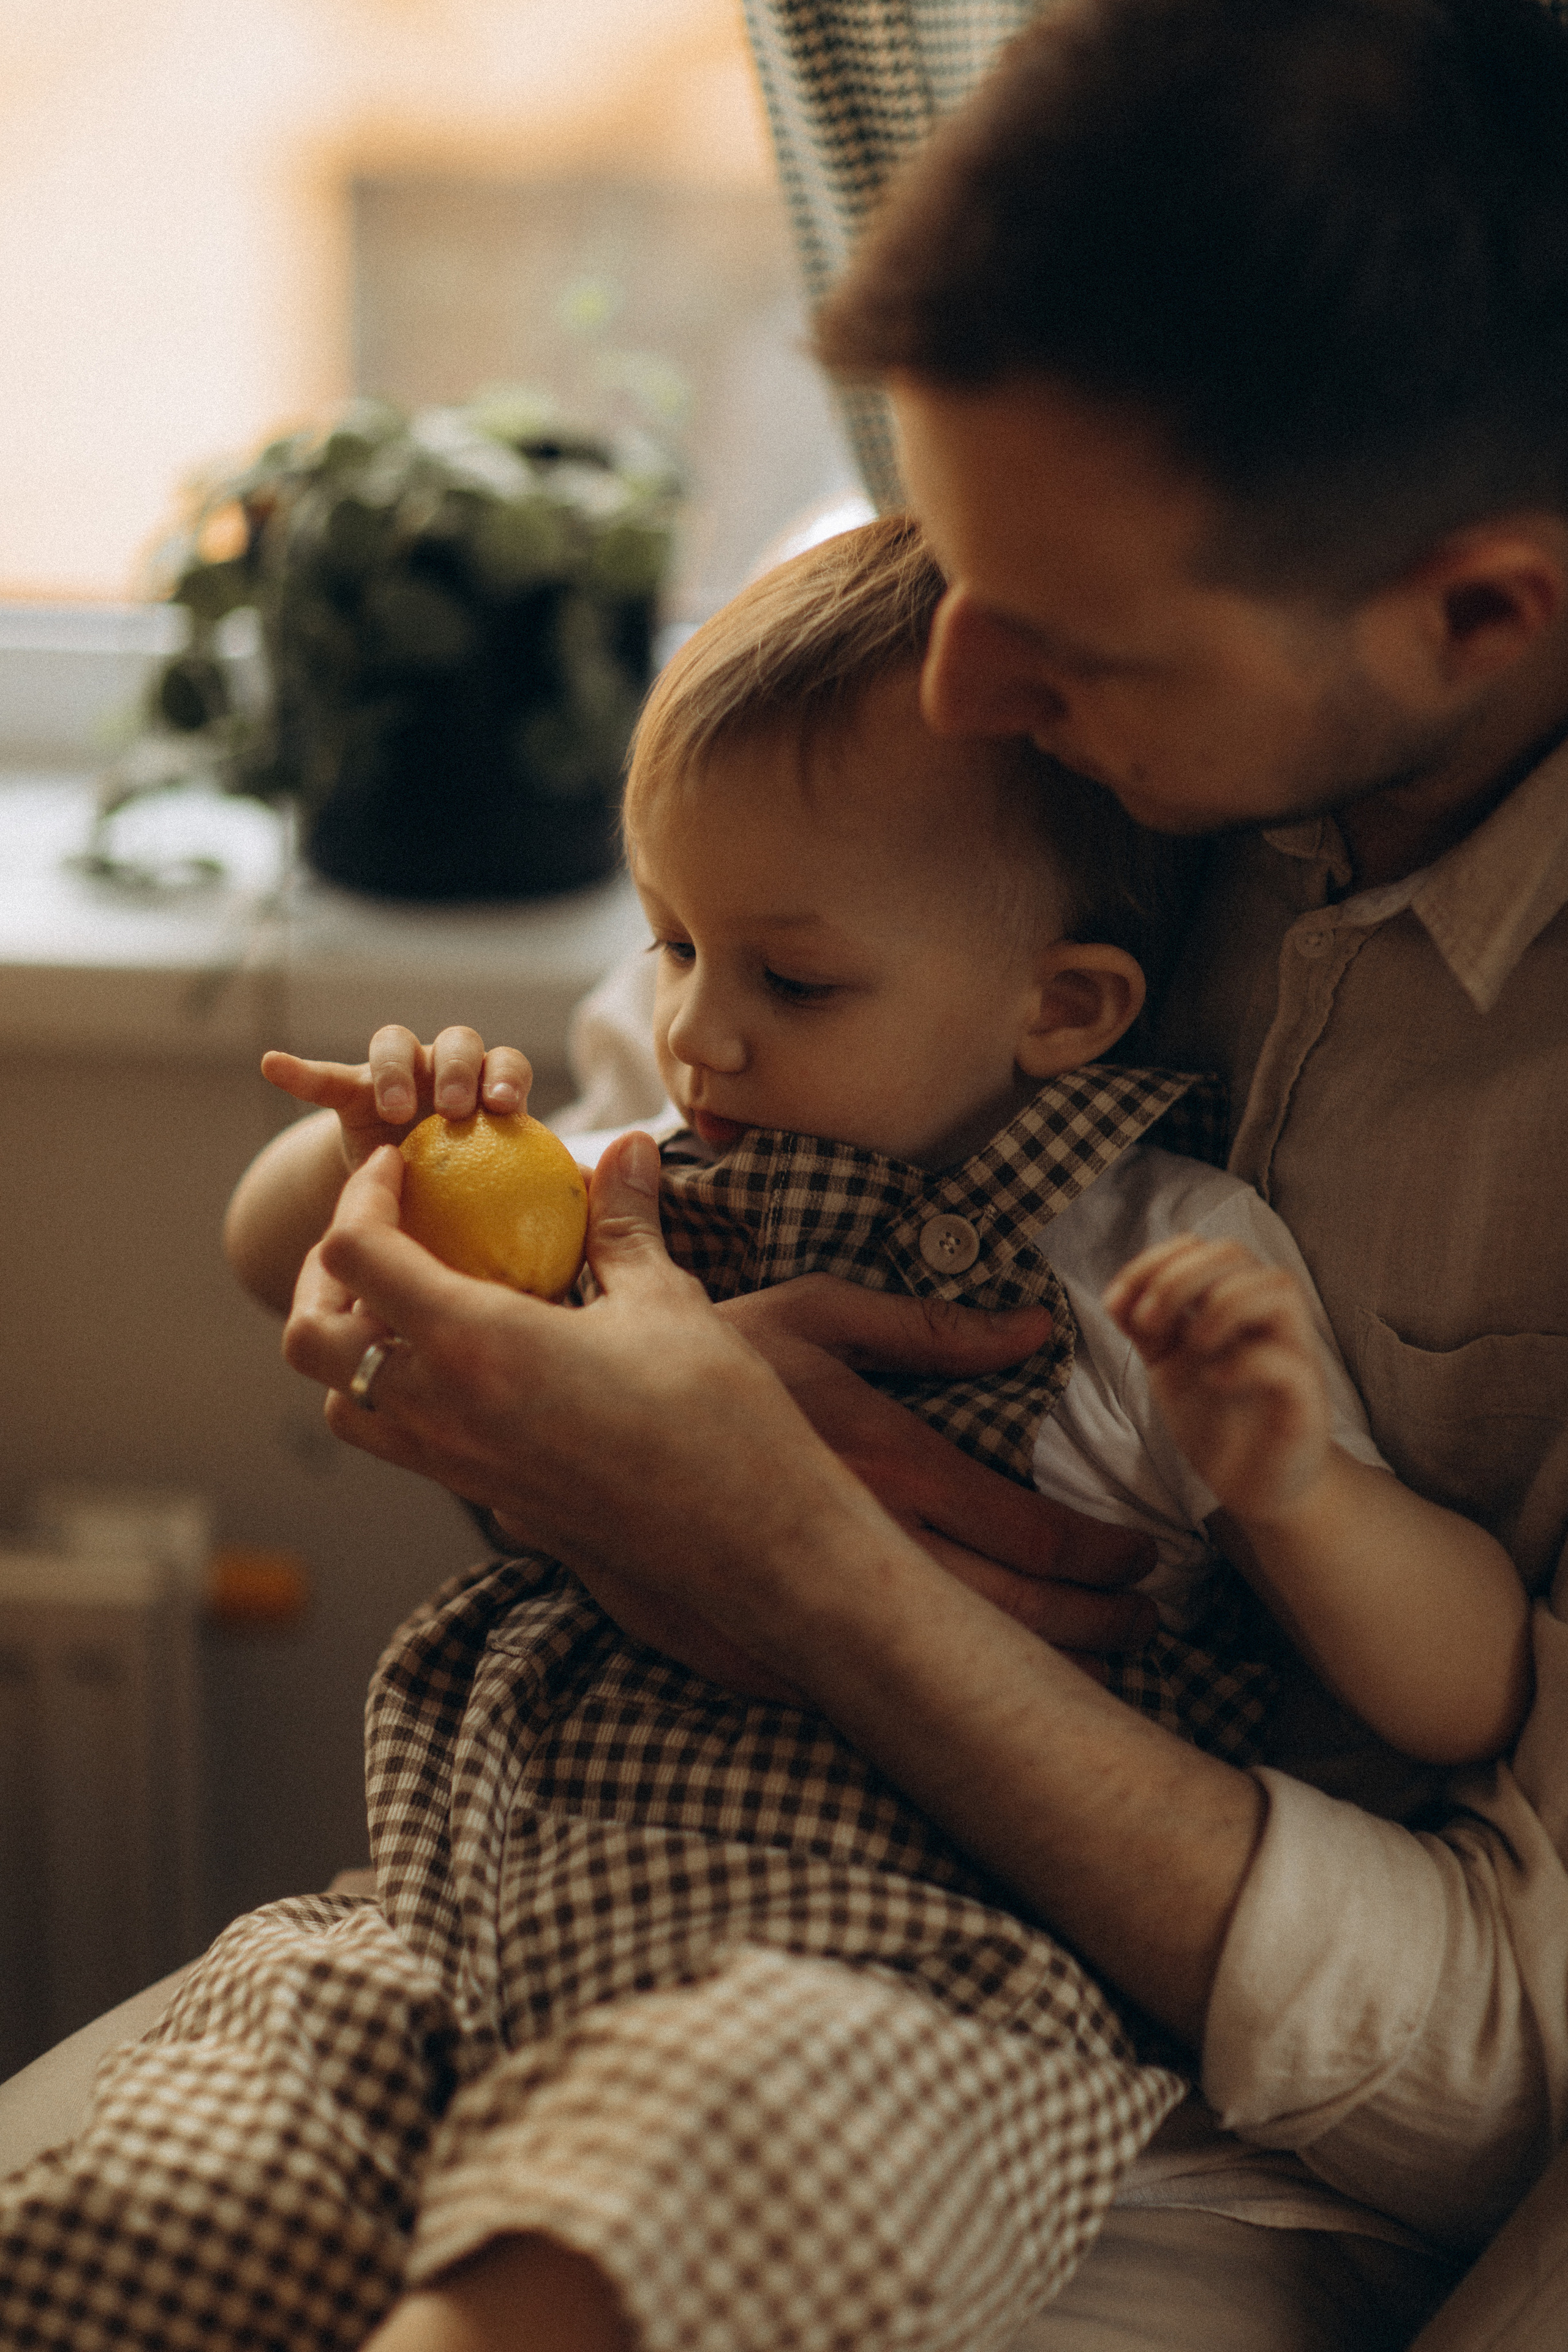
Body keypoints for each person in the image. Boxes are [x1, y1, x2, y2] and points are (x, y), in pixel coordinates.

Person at [262, 2, 1568, 2347]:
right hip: (526, 1876)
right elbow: (494, 1216)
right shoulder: (936, 724)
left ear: (1478, 614)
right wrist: (447, 1325)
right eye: (945, 562)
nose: (960, 687)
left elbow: (1502, 2055)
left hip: (1084, 2059)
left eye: (1062, 639)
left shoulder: (1189, 1204)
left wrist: (781, 1549)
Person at [1, 518, 1520, 2352]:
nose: (698, 1032)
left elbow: (1462, 1692)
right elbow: (274, 1261)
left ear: (1067, 1009)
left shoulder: (1155, 1256)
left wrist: (1298, 1490)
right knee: (151, 2201)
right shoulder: (658, 1156)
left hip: (888, 1990)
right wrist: (372, 1167)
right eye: (669, 943)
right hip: (459, 1917)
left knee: (667, 2175)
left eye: (790, 981)